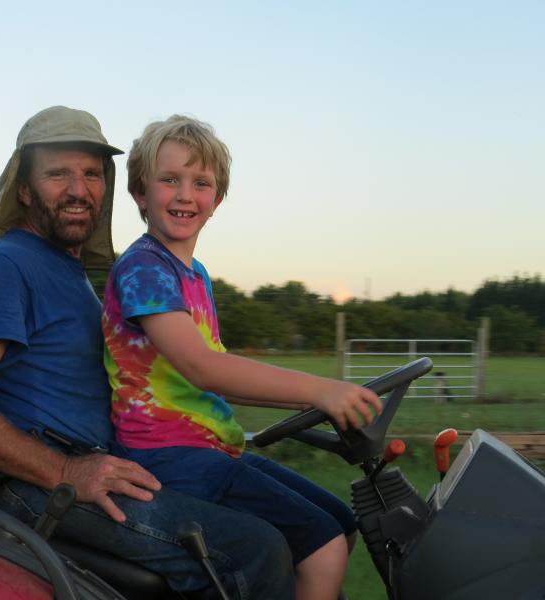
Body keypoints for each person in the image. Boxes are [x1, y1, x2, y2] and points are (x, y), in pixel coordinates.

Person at [0, 105, 295, 599]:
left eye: (92, 174)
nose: (78, 190)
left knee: (293, 518)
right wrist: (64, 471)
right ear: (25, 189)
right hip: (44, 487)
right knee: (254, 548)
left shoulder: (72, 274)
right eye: (58, 174)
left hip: (103, 467)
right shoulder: (5, 264)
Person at [102, 115, 384, 600]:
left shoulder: (194, 274)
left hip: (212, 448)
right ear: (139, 194)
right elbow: (201, 367)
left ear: (217, 200)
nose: (186, 195)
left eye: (201, 183)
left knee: (342, 522)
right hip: (168, 455)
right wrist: (319, 388)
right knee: (324, 547)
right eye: (170, 180)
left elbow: (216, 373)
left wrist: (308, 405)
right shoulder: (143, 269)